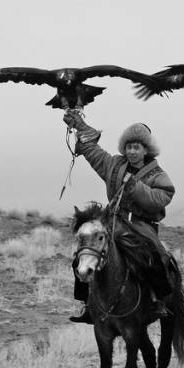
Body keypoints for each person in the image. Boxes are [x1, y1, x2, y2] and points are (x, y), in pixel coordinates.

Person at [63, 110, 175, 324]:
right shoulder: (114, 164)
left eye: (137, 147)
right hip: (112, 220)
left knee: (153, 257)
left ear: (146, 150)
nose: (131, 151)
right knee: (84, 252)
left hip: (142, 225)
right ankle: (87, 303)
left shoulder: (158, 175)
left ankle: (157, 301)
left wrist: (133, 186)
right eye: (129, 146)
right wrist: (80, 125)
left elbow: (160, 198)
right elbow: (94, 152)